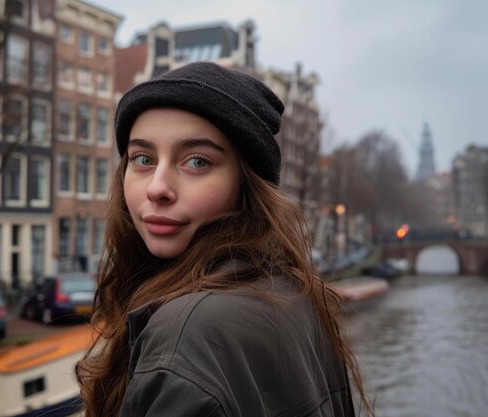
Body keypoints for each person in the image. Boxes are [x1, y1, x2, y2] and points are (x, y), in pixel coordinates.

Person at [76, 62, 372, 417]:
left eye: (197, 162)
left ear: (246, 186)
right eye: (143, 158)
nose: (157, 188)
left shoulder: (186, 336)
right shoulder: (295, 294)